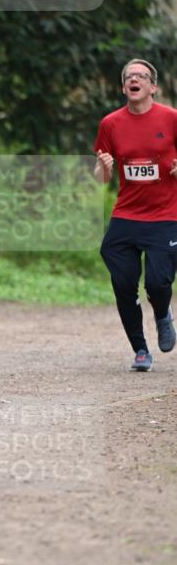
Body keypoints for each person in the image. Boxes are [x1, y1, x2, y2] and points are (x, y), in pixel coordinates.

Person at [94, 58, 177, 372]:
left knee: (157, 283)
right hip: (127, 214)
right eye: (129, 76)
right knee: (123, 283)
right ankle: (141, 349)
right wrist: (103, 168)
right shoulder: (111, 124)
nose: (134, 78)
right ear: (123, 87)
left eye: (141, 75)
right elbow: (101, 177)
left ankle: (162, 314)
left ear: (153, 86)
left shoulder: (171, 119)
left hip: (166, 215)